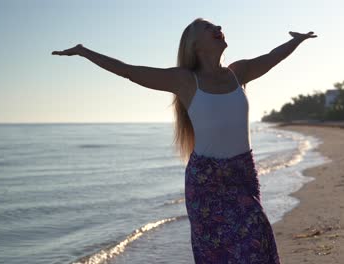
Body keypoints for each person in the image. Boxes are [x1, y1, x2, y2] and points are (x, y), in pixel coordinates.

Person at [52, 17, 316, 263]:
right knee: (215, 252)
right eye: (208, 27)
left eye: (217, 26)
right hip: (206, 181)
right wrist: (85, 52)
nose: (218, 28)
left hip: (242, 174)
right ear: (194, 44)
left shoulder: (239, 72)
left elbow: (273, 57)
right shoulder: (185, 81)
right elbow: (129, 71)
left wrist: (296, 40)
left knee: (257, 241)